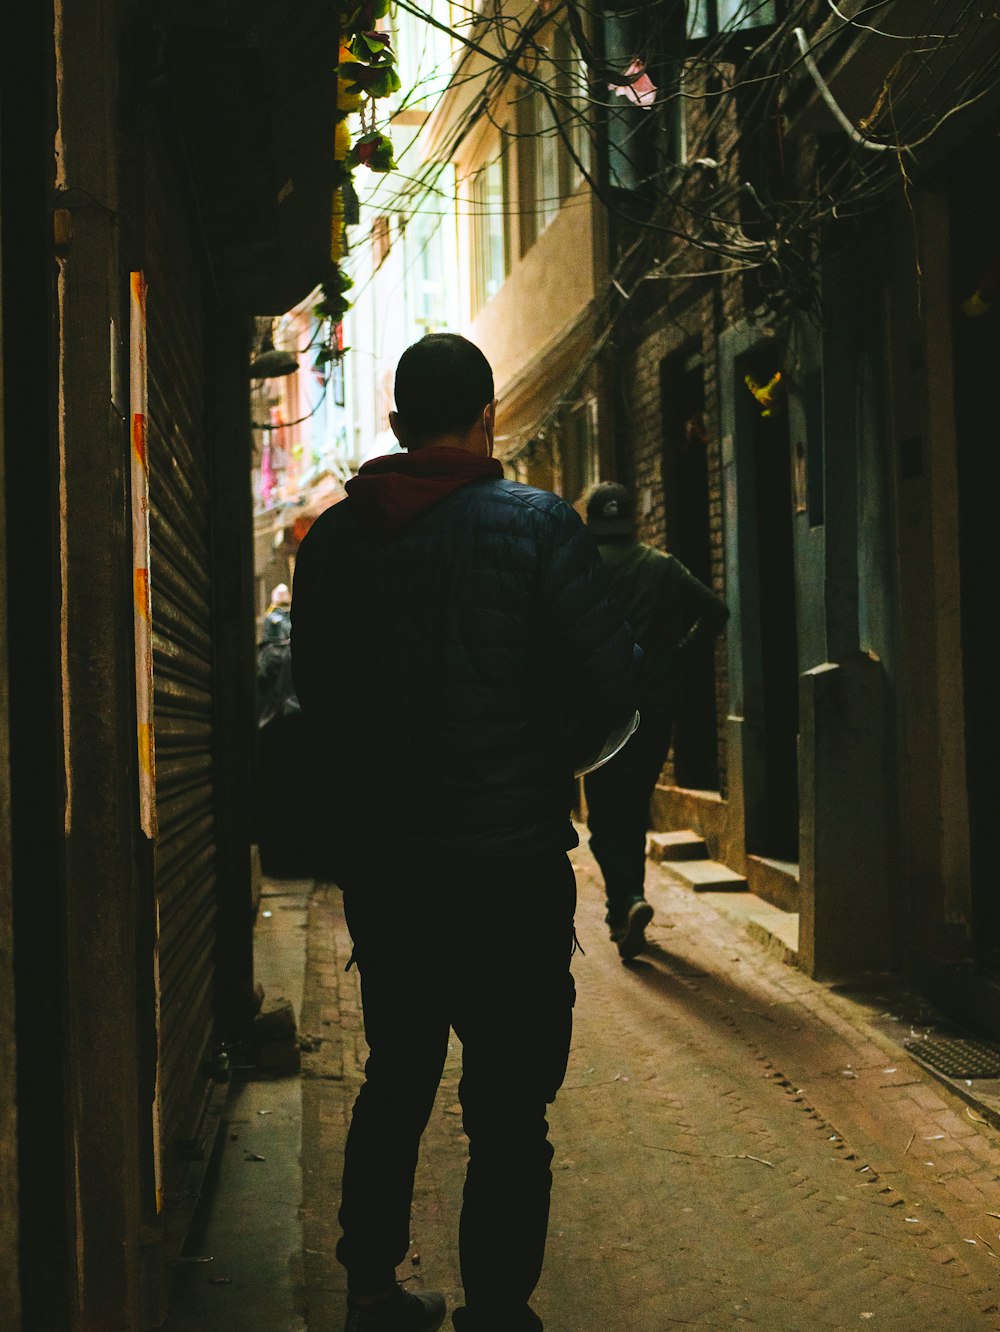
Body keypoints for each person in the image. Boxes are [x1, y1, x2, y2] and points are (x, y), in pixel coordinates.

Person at [290, 335, 638, 1332]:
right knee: (508, 1109)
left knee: (396, 1075)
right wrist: (541, 767)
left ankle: (370, 1292)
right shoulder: (538, 527)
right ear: (487, 418)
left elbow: (318, 702)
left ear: (397, 426)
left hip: (390, 872)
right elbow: (615, 688)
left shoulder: (332, 544)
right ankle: (496, 1309)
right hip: (509, 872)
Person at [582, 481, 729, 960]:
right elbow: (714, 609)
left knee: (605, 815)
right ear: (632, 520)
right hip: (653, 709)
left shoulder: (582, 567)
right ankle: (628, 904)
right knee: (634, 808)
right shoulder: (661, 567)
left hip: (600, 713)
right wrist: (675, 660)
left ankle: (624, 900)